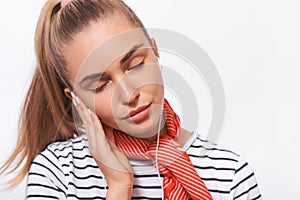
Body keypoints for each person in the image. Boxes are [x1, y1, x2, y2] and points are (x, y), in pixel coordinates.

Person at [0, 0, 262, 199]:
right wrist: (118, 186)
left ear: (155, 50)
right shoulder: (57, 173)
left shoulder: (230, 174)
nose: (128, 94)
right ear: (76, 99)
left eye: (136, 65)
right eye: (101, 85)